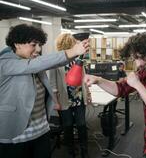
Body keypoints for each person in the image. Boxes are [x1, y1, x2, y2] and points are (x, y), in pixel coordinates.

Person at [0, 24, 89, 158]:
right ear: (17, 44)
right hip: (16, 135)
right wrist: (72, 51)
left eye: (40, 45)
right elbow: (33, 65)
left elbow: (53, 63)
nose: (38, 49)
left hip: (41, 131)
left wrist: (76, 53)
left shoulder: (32, 62)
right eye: (33, 45)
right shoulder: (5, 63)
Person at [49, 33, 91, 158]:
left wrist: (88, 94)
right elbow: (53, 84)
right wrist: (55, 101)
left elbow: (83, 79)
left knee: (82, 125)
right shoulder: (56, 62)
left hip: (78, 98)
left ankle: (84, 150)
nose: (75, 45)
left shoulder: (78, 59)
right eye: (73, 43)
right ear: (68, 44)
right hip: (64, 99)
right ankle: (71, 151)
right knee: (67, 126)